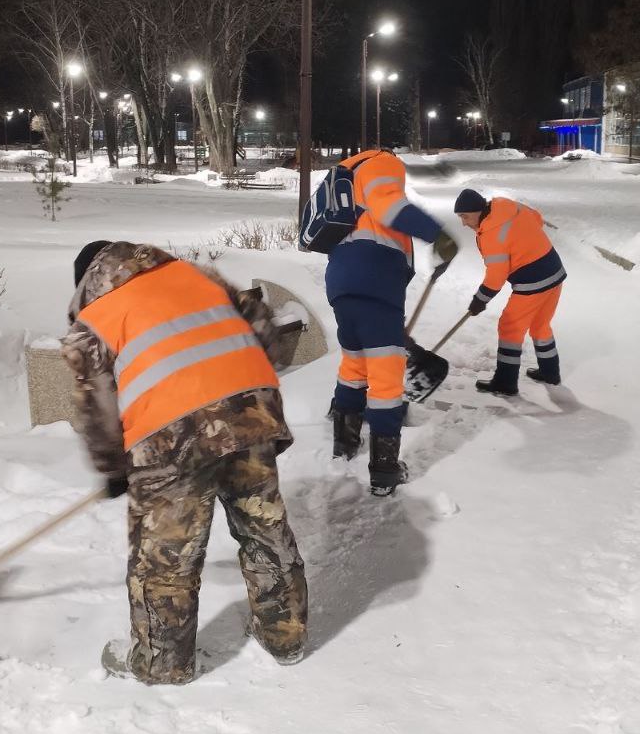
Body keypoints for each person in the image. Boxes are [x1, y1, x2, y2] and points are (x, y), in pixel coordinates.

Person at [62, 240, 307, 685]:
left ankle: (163, 665)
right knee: (264, 529)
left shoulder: (92, 321)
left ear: (87, 280)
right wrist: (238, 384)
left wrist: (114, 467)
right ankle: (285, 637)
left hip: (171, 435)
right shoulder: (194, 275)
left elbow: (96, 409)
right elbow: (262, 322)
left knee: (165, 560)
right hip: (252, 412)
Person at [326, 149, 458, 495]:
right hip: (374, 280)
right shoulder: (382, 163)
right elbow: (390, 207)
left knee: (354, 364)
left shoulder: (346, 173)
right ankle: (385, 470)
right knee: (386, 375)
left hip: (341, 281)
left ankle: (344, 444)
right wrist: (436, 233)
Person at [454, 189, 567, 396]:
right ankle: (550, 373)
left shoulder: (491, 234)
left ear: (479, 210)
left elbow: (496, 276)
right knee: (540, 325)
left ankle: (505, 383)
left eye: (465, 217)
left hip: (533, 281)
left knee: (510, 328)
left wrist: (479, 300)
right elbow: (537, 218)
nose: (464, 223)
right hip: (554, 270)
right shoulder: (505, 204)